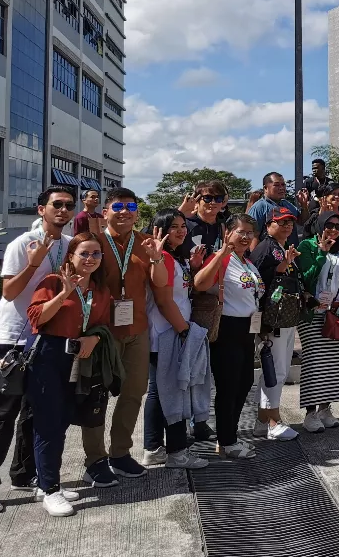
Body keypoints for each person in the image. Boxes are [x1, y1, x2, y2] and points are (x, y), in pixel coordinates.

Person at [0, 186, 75, 513]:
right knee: (4, 412)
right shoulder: (23, 244)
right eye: (56, 205)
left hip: (47, 338)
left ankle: (25, 474)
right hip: (15, 338)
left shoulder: (67, 245)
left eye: (68, 206)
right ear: (41, 210)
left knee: (36, 412)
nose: (63, 210)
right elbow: (9, 292)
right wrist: (32, 263)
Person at [25, 234, 113, 516]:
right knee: (48, 422)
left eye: (96, 254)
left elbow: (103, 325)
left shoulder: (100, 290)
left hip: (77, 360)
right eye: (84, 253)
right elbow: (36, 318)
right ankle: (50, 489)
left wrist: (94, 340)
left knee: (62, 420)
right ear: (71, 256)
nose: (90, 259)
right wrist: (64, 293)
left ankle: (48, 481)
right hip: (49, 356)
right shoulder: (52, 281)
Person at [82, 188, 155, 487]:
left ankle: (120, 453)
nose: (124, 211)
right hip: (103, 333)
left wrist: (157, 259)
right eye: (118, 206)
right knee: (96, 396)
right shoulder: (94, 244)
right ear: (106, 211)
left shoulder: (145, 244)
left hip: (137, 329)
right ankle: (94, 460)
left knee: (134, 392)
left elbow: (157, 284)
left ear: (137, 212)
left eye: (130, 206)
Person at [192, 215, 263, 457]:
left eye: (249, 233)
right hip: (227, 328)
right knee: (228, 387)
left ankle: (229, 437)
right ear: (228, 233)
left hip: (247, 330)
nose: (245, 237)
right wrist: (221, 254)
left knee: (244, 384)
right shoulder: (221, 258)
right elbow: (199, 284)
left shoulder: (247, 262)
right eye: (240, 232)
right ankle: (227, 441)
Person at [142, 210, 208, 468]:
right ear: (160, 230)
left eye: (183, 226)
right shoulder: (164, 258)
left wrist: (192, 267)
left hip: (167, 333)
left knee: (159, 393)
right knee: (173, 393)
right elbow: (163, 300)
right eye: (174, 227)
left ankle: (153, 447)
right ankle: (177, 452)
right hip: (168, 333)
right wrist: (184, 331)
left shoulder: (173, 258)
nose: (181, 231)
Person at [295, 211, 339, 432]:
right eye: (329, 224)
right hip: (313, 312)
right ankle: (310, 413)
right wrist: (321, 253)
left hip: (336, 312)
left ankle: (325, 408)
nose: (333, 229)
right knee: (315, 363)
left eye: (338, 225)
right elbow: (306, 277)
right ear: (319, 225)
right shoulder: (307, 246)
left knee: (335, 363)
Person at [250, 207, 301, 440]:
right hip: (273, 319)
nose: (288, 226)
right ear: (269, 225)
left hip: (286, 316)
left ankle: (263, 422)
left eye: (290, 222)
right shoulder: (265, 248)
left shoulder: (281, 247)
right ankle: (273, 421)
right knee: (276, 370)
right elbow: (258, 283)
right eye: (282, 222)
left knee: (276, 369)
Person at [247, 171, 309, 246]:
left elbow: (302, 221)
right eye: (276, 185)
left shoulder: (287, 204)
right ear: (265, 188)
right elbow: (254, 236)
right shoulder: (259, 207)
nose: (281, 188)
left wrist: (304, 205)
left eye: (283, 185)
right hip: (269, 254)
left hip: (290, 254)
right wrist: (256, 256)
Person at [179, 179, 228, 254]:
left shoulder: (225, 225)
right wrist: (180, 213)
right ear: (197, 200)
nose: (213, 202)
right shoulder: (185, 224)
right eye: (207, 198)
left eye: (218, 198)